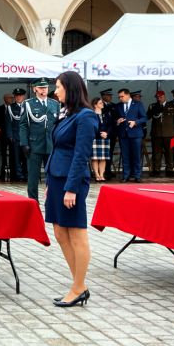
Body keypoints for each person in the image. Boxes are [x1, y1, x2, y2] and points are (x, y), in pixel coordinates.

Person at [47, 71, 99, 308]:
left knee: (76, 233)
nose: (55, 91)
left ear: (70, 88)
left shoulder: (86, 116)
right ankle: (79, 285)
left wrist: (71, 189)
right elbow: (58, 149)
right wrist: (50, 184)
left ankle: (78, 287)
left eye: (58, 86)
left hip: (72, 180)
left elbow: (80, 155)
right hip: (56, 178)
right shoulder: (68, 113)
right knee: (60, 233)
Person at [19, 78, 60, 200]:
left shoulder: (55, 104)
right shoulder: (28, 104)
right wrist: (24, 143)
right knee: (33, 176)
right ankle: (33, 201)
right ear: (35, 89)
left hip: (50, 145)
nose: (44, 89)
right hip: (34, 145)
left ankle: (51, 201)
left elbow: (57, 125)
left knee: (52, 175)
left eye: (46, 87)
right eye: (41, 87)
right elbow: (23, 125)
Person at [114, 88, 146, 182]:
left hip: (136, 134)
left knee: (136, 155)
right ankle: (126, 175)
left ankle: (137, 176)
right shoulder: (118, 106)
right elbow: (114, 118)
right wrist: (117, 121)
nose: (120, 98)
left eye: (122, 96)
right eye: (119, 97)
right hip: (123, 134)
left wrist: (136, 122)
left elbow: (144, 117)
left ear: (128, 95)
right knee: (125, 156)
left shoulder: (138, 104)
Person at [148, 90, 174, 177]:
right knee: (156, 153)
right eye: (157, 97)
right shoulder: (153, 106)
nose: (159, 99)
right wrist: (153, 111)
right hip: (156, 134)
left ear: (165, 97)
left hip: (169, 133)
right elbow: (147, 117)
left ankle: (169, 169)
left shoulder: (172, 106)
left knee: (170, 153)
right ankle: (156, 169)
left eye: (161, 97)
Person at [4, 89, 26, 181]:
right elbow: (8, 122)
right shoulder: (11, 107)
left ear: (24, 97)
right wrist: (10, 135)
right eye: (16, 96)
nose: (18, 97)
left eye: (20, 95)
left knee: (26, 157)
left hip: (25, 136)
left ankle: (26, 174)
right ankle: (19, 175)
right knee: (16, 158)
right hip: (16, 136)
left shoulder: (27, 106)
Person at [90, 96, 111, 182]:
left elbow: (110, 124)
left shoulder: (105, 113)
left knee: (103, 157)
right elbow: (91, 125)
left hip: (105, 137)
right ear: (95, 105)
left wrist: (107, 133)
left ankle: (102, 175)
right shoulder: (91, 114)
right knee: (95, 157)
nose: (103, 104)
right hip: (95, 137)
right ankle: (97, 175)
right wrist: (100, 133)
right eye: (100, 103)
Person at [99, 89, 117, 178]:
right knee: (100, 153)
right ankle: (100, 171)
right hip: (101, 132)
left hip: (112, 132)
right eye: (108, 95)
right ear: (103, 96)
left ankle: (108, 169)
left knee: (110, 151)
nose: (110, 96)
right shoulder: (100, 105)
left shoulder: (114, 105)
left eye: (111, 95)